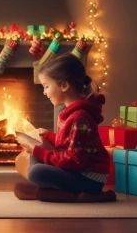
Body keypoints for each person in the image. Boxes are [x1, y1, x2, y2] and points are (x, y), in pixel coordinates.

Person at [14, 53, 116, 203]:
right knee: (35, 156)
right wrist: (49, 136)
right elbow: (72, 145)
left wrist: (41, 151)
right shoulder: (70, 113)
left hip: (87, 178)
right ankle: (45, 191)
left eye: (46, 86)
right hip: (76, 170)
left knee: (36, 171)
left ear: (64, 85)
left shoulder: (80, 118)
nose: (44, 92)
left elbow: (75, 160)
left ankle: (74, 195)